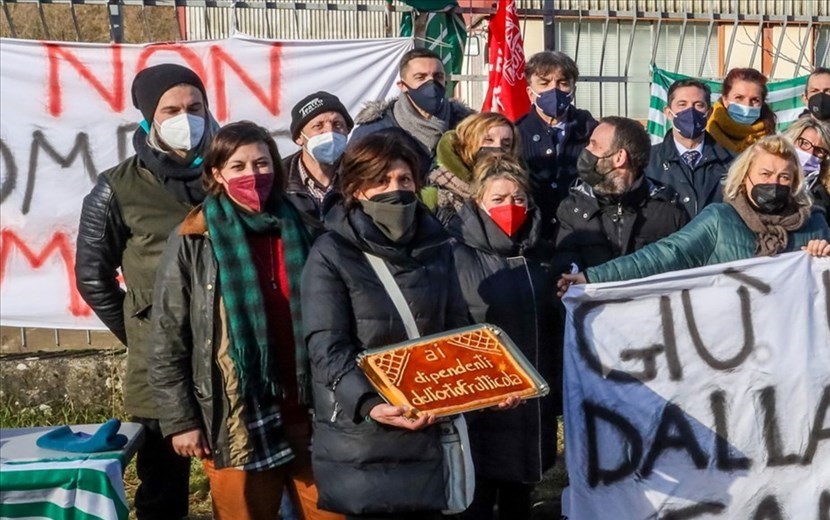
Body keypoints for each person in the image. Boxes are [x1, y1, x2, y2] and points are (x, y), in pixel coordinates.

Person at [301, 129, 515, 519]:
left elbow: (456, 330)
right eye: (381, 181)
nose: (395, 189)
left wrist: (489, 382)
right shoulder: (331, 252)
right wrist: (370, 402)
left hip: (433, 427)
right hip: (369, 437)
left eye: (404, 179)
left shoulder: (437, 246)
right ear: (355, 189)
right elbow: (326, 346)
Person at [149, 121, 343, 520]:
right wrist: (181, 420)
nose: (252, 175)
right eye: (237, 167)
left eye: (261, 163)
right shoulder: (193, 239)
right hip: (238, 416)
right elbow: (168, 336)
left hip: (310, 411)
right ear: (217, 174)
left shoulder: (308, 229)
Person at [75, 63, 218, 520]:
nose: (186, 117)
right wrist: (143, 332)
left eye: (195, 107)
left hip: (229, 355)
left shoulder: (229, 172)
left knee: (244, 483)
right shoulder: (116, 188)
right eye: (171, 109)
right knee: (163, 491)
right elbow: (92, 277)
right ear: (147, 118)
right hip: (162, 369)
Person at [558, 135, 830, 294]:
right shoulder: (720, 220)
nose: (775, 183)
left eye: (784, 177)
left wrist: (825, 254)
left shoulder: (814, 223)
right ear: (745, 177)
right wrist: (593, 278)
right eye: (766, 174)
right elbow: (666, 255)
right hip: (733, 351)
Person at [447, 155, 559, 520]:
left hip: (529, 411)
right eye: (498, 199)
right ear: (478, 202)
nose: (510, 206)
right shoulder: (454, 255)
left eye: (518, 198)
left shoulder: (540, 255)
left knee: (518, 503)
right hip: (481, 414)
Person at [553, 117, 688, 275]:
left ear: (619, 157)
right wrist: (569, 272)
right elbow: (563, 256)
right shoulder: (574, 207)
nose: (586, 150)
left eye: (594, 144)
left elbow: (683, 266)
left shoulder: (668, 211)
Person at [350, 48, 474, 178]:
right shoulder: (373, 131)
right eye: (420, 77)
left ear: (446, 82)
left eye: (438, 76)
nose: (431, 83)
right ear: (402, 85)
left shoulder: (469, 128)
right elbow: (351, 182)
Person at [515, 50, 598, 238]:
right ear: (530, 92)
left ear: (572, 89)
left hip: (584, 234)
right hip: (534, 235)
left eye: (562, 83)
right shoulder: (516, 135)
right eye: (544, 83)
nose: (554, 89)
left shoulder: (592, 131)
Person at [647, 79, 735, 218]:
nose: (691, 111)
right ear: (668, 113)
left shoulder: (732, 163)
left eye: (699, 105)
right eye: (682, 105)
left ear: (709, 112)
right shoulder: (647, 161)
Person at [422, 111, 520, 225]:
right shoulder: (433, 196)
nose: (497, 147)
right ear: (468, 143)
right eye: (488, 140)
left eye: (506, 144)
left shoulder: (519, 195)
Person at [284, 91, 354, 228]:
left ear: (348, 131)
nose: (330, 131)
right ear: (299, 137)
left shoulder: (364, 174)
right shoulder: (279, 179)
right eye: (318, 126)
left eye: (337, 124)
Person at [706, 67, 776, 154]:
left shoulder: (773, 144)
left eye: (755, 100)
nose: (746, 105)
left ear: (762, 103)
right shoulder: (705, 138)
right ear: (725, 100)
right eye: (739, 97)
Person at [782, 117, 830, 225]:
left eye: (819, 150)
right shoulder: (768, 178)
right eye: (804, 143)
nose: (810, 152)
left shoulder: (824, 195)